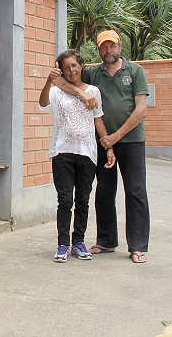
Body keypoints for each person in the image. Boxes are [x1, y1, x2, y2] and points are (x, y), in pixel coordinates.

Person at [53, 30, 151, 263]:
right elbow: (60, 79)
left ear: (120, 46)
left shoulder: (135, 71)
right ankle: (106, 241)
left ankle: (137, 246)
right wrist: (81, 93)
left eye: (112, 46)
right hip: (102, 141)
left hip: (130, 140)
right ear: (99, 50)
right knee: (104, 192)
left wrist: (114, 138)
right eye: (104, 47)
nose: (108, 51)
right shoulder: (94, 73)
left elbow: (141, 110)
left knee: (135, 192)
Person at [39, 49, 112, 263]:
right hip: (63, 152)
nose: (71, 70)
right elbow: (43, 103)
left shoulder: (94, 91)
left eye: (74, 65)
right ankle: (62, 244)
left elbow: (98, 119)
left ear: (82, 66)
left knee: (82, 200)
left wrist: (108, 147)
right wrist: (47, 82)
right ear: (60, 70)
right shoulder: (57, 91)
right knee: (64, 200)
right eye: (66, 67)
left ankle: (78, 242)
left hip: (87, 152)